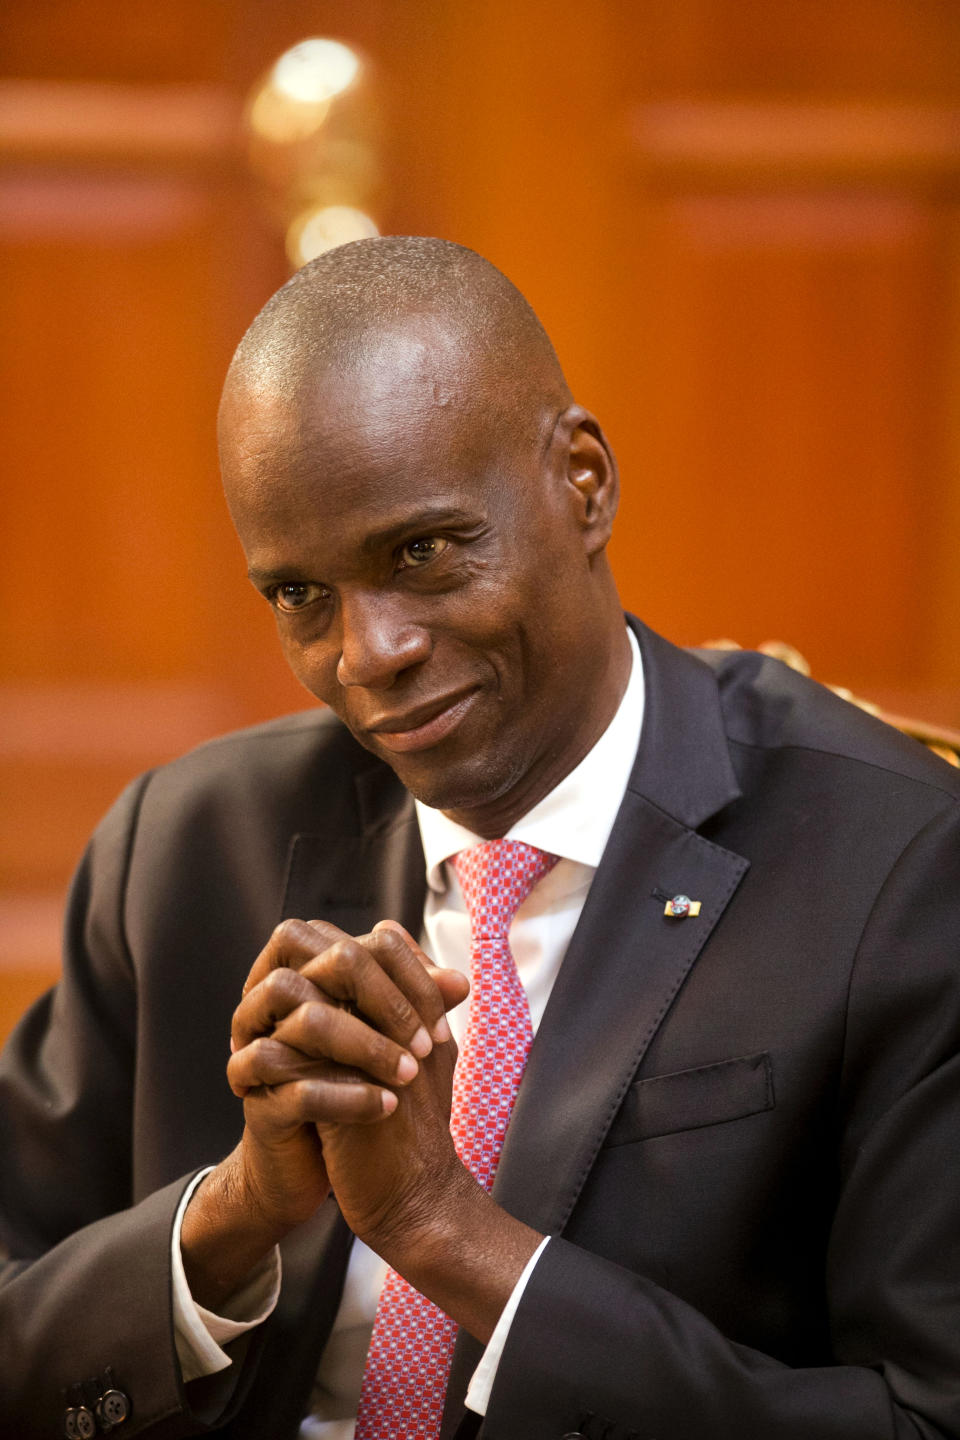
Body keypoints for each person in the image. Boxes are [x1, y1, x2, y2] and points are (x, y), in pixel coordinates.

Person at [1, 236, 959, 1440]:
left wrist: (445, 1235)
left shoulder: (899, 867)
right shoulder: (186, 849)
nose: (369, 654)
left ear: (585, 481)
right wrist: (233, 1217)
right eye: (301, 595)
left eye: (422, 551)